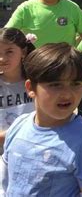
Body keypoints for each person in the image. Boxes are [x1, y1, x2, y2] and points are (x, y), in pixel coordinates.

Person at [3, 43, 82, 195]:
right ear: (31, 89)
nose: (67, 94)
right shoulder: (18, 126)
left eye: (76, 84)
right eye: (55, 85)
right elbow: (5, 181)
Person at [0, 28, 36, 194]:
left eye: (9, 52)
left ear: (23, 52)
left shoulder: (39, 83)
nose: (2, 58)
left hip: (34, 155)